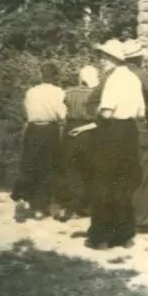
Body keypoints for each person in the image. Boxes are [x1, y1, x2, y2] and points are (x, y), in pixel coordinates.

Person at [74, 39, 144, 250]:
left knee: (104, 183)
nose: (102, 61)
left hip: (112, 132)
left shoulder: (113, 80)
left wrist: (95, 114)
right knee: (124, 184)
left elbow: (106, 111)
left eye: (104, 57)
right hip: (130, 132)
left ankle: (101, 236)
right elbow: (141, 113)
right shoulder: (134, 79)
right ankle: (125, 235)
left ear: (114, 59)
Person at [12, 63, 66, 220]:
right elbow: (62, 115)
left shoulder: (31, 92)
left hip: (33, 130)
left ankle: (25, 199)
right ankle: (40, 208)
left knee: (29, 165)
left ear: (41, 75)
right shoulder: (59, 92)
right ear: (55, 76)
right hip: (49, 130)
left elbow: (27, 110)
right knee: (47, 167)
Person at [122, 40, 148, 234]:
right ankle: (141, 220)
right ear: (139, 57)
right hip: (140, 127)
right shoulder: (143, 76)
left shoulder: (112, 76)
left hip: (117, 128)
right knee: (143, 173)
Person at [55, 65, 99, 221]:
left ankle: (67, 206)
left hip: (70, 129)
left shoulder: (68, 92)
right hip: (88, 131)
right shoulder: (96, 94)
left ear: (80, 78)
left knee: (68, 168)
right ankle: (85, 206)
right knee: (89, 169)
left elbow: (61, 113)